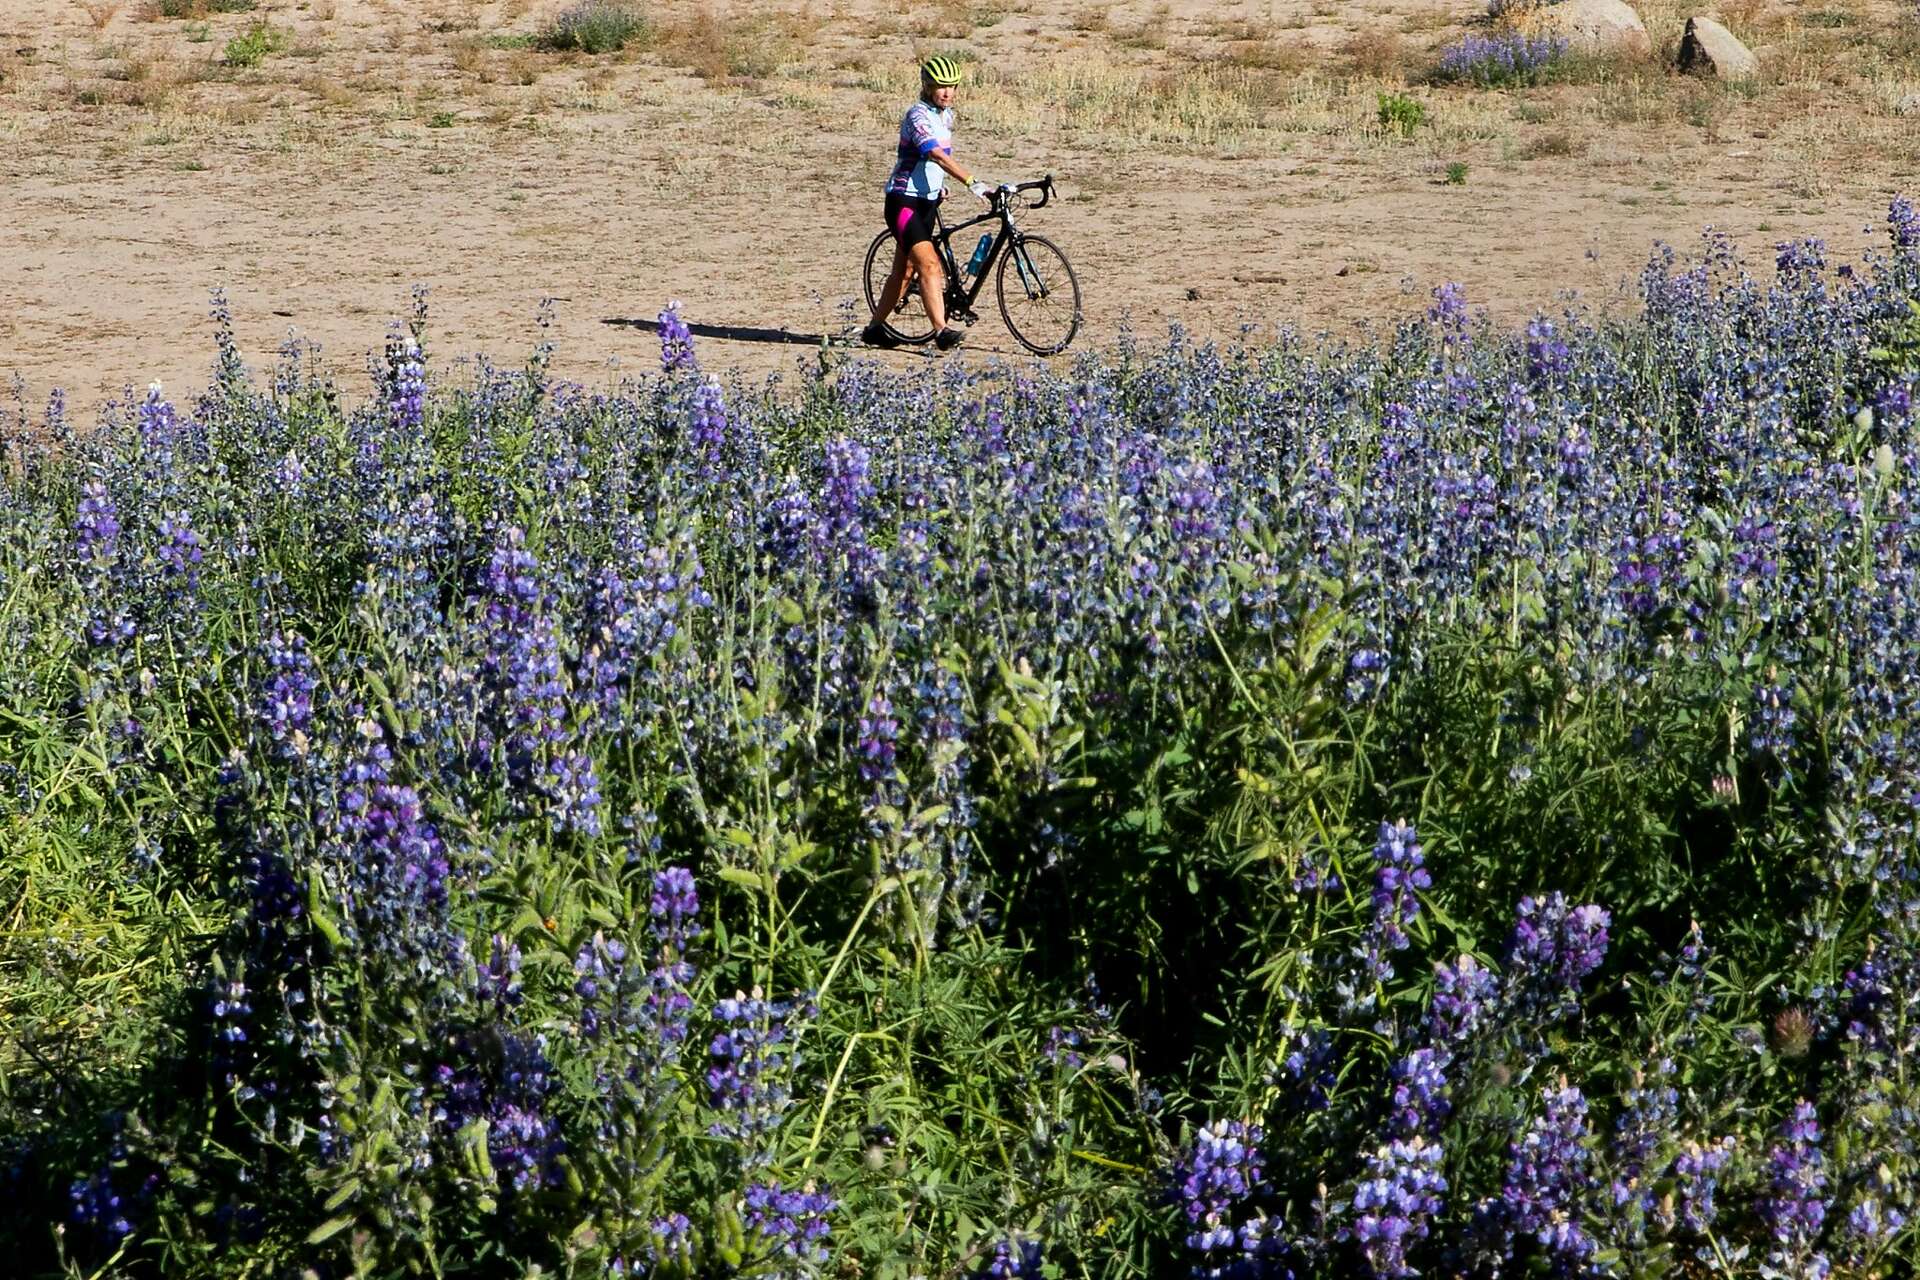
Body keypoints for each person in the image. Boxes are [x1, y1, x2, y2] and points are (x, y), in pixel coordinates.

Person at [861, 54, 994, 352]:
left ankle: (874, 329)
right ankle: (941, 331)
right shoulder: (917, 116)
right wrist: (973, 183)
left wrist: (940, 187)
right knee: (930, 266)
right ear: (926, 85)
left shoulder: (945, 116)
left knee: (904, 272)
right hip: (903, 201)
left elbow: (934, 165)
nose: (947, 92)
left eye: (952, 86)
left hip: (928, 203)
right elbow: (934, 154)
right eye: (939, 86)